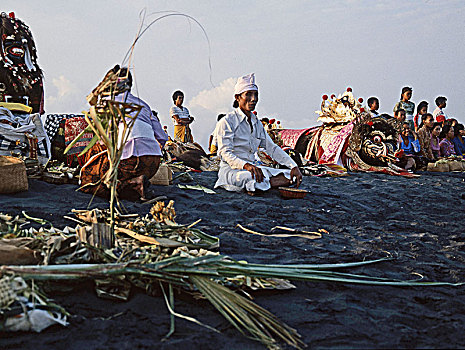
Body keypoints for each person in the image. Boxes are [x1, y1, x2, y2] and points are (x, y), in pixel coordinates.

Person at [80, 67, 168, 200]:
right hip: (153, 162)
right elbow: (162, 137)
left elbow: (104, 141)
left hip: (129, 161)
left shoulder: (108, 103)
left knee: (88, 181)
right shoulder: (143, 105)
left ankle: (133, 184)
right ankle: (138, 182)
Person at [214, 73, 302, 194]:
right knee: (251, 178)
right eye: (248, 94)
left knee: (289, 175)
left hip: (255, 169)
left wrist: (293, 166)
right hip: (233, 171)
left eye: (255, 94)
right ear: (237, 97)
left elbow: (272, 148)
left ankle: (266, 183)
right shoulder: (227, 122)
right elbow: (225, 153)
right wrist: (246, 166)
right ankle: (267, 183)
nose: (253, 99)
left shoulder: (257, 123)